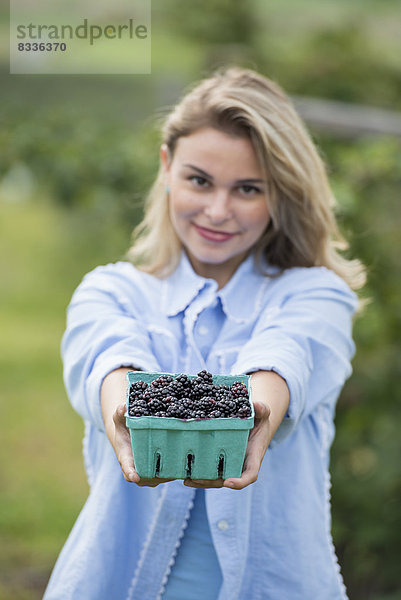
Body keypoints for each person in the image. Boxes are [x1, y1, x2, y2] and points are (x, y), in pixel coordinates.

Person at [44, 66, 366, 600]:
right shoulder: (112, 291)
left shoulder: (315, 294)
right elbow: (108, 359)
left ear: (280, 193)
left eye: (247, 189)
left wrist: (257, 410)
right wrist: (128, 407)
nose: (218, 211)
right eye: (200, 180)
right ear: (167, 166)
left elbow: (287, 350)